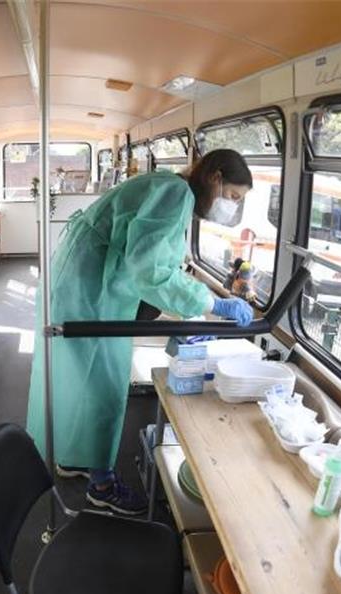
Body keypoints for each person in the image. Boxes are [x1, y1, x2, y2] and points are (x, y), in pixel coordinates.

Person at [26, 148, 255, 514]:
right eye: (232, 196)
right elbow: (149, 270)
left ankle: (73, 457)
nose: (230, 206)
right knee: (104, 383)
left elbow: (155, 259)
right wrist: (213, 304)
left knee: (79, 375)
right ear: (215, 177)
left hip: (87, 283)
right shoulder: (175, 194)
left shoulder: (168, 188)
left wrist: (198, 298)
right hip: (90, 289)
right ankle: (100, 484)